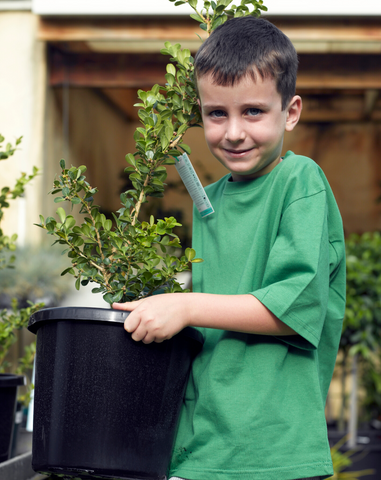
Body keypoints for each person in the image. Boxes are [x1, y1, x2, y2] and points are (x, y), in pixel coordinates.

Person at [113, 15, 346, 480]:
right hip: (200, 446)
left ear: (291, 111)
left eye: (253, 112)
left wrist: (185, 307)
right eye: (217, 113)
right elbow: (212, 317)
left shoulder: (300, 182)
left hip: (274, 450)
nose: (234, 132)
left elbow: (290, 310)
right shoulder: (210, 202)